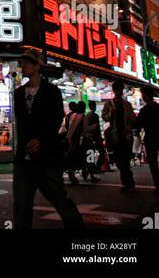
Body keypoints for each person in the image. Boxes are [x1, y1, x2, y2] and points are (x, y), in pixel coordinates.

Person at [13, 48, 84, 229]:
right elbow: (21, 123)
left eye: (28, 62)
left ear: (37, 66)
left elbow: (55, 120)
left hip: (47, 157)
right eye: (23, 62)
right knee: (22, 206)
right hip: (24, 158)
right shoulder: (18, 93)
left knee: (60, 199)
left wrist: (41, 141)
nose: (24, 66)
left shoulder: (51, 91)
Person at [102, 79, 135, 191]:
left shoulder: (127, 104)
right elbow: (104, 117)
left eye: (122, 89)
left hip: (126, 136)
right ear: (115, 90)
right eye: (119, 89)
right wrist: (110, 113)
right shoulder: (109, 104)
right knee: (120, 161)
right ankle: (127, 182)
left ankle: (128, 183)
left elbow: (132, 119)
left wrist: (128, 129)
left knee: (125, 160)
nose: (121, 91)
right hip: (115, 136)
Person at [136, 85, 159, 195]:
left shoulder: (144, 111)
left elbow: (138, 125)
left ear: (146, 96)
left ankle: (158, 186)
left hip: (150, 139)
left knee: (153, 164)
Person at [82, 100, 104, 180]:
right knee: (101, 154)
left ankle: (88, 171)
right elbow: (96, 128)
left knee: (88, 156)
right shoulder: (95, 115)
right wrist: (99, 138)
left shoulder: (86, 116)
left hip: (86, 139)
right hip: (93, 139)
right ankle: (95, 169)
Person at [66, 101, 86, 185]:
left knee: (71, 157)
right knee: (77, 157)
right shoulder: (82, 116)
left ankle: (72, 174)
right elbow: (84, 129)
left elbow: (67, 127)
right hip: (78, 140)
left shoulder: (71, 115)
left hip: (70, 139)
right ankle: (74, 175)